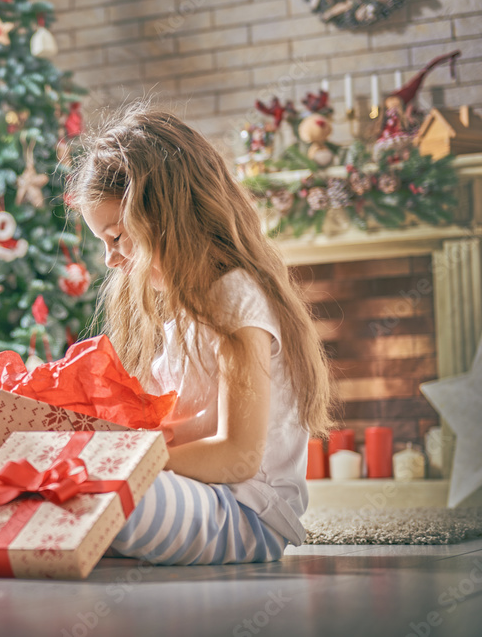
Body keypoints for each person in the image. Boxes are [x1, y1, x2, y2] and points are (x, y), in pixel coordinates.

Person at [69, 104, 334, 565]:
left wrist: (125, 460)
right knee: (59, 485)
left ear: (165, 215)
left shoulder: (235, 298)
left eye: (116, 237)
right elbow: (181, 427)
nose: (110, 260)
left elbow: (238, 458)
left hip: (247, 514)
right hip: (195, 494)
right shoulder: (179, 309)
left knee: (97, 492)